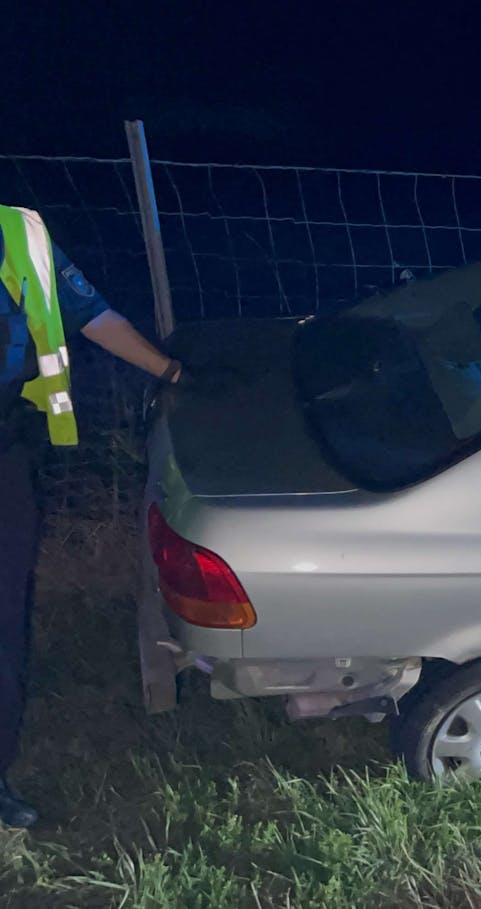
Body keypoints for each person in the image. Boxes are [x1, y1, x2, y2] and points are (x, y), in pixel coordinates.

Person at [1, 204, 182, 828]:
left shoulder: (21, 232)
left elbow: (91, 315)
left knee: (5, 621)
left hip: (5, 455)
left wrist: (172, 372)